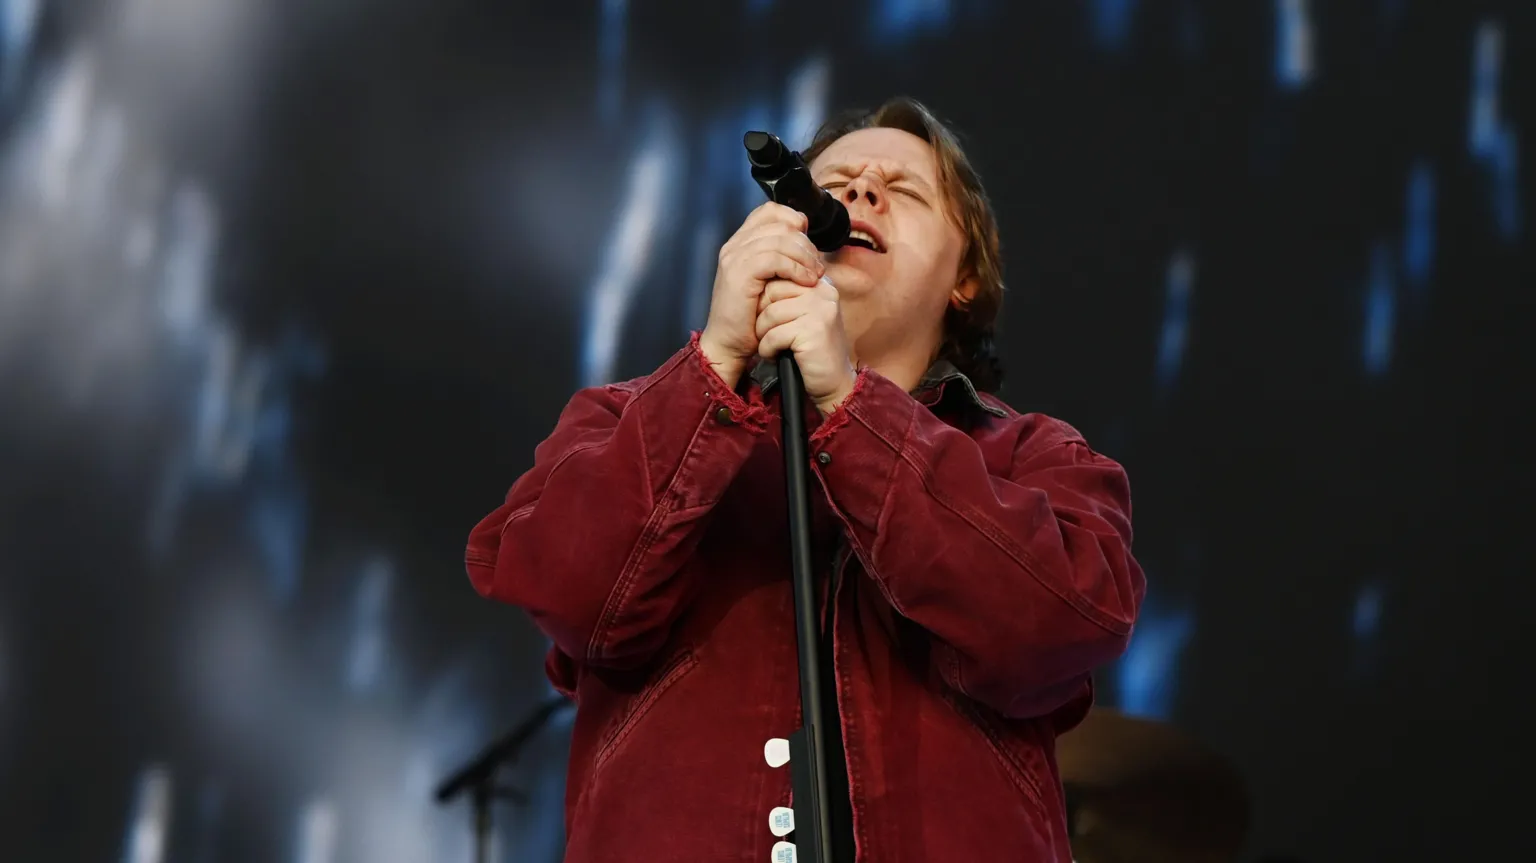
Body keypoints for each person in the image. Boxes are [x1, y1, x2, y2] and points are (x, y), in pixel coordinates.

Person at [466, 97, 1145, 862]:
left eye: (904, 189)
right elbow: (565, 588)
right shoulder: (625, 420)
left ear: (965, 276)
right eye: (835, 182)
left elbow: (1059, 625)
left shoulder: (1036, 457)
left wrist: (854, 410)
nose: (858, 194)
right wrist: (714, 364)